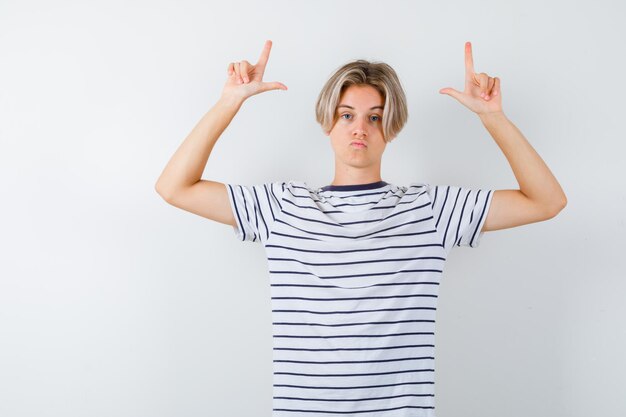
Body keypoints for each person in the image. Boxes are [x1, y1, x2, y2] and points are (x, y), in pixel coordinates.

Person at [155, 40, 566, 416]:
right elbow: (174, 187)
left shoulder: (429, 209)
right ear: (327, 121)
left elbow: (546, 201)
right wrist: (229, 102)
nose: (359, 128)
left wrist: (493, 118)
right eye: (347, 114)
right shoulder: (282, 206)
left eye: (375, 117)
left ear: (391, 127)